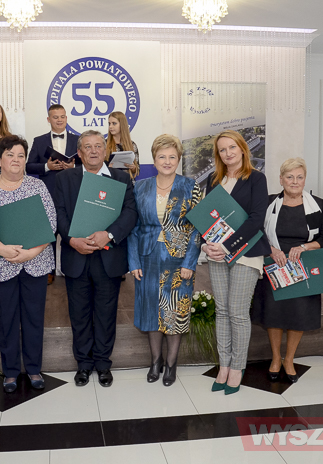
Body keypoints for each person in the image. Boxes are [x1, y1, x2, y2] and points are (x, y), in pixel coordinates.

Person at [0, 135, 56, 393]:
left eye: (20, 155)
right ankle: (10, 371)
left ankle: (33, 368)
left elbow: (51, 224)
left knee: (33, 318)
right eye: (10, 155)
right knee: (6, 319)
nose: (16, 160)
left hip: (35, 264)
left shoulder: (37, 187)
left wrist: (31, 253)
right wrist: (2, 249)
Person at [55, 130, 137, 388]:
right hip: (76, 255)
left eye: (98, 146)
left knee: (105, 313)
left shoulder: (121, 178)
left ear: (105, 151)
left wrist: (109, 235)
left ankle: (102, 363)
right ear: (79, 153)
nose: (93, 151)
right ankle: (83, 364)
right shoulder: (64, 178)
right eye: (87, 147)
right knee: (79, 313)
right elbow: (58, 213)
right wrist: (72, 240)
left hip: (108, 257)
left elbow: (130, 212)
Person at [128, 134, 201, 386]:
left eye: (172, 157)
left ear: (179, 159)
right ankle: (155, 362)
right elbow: (133, 227)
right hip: (147, 256)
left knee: (174, 311)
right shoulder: (140, 187)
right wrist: (133, 261)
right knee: (151, 311)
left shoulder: (191, 186)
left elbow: (197, 228)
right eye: (162, 157)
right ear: (154, 159)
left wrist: (190, 263)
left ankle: (171, 364)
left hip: (178, 259)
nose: (167, 161)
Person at [252, 158, 323, 383]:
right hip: (274, 265)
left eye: (299, 177)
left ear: (305, 179)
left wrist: (305, 247)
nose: (294, 181)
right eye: (289, 177)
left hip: (303, 267)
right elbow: (256, 232)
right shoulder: (269, 203)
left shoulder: (317, 205)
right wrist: (271, 250)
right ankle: (276, 358)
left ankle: (289, 359)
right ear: (281, 179)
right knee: (274, 314)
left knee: (299, 314)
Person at [203, 130, 270, 395]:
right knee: (222, 311)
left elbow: (256, 219)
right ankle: (224, 364)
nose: (228, 153)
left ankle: (237, 367)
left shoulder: (256, 178)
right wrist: (206, 245)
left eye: (232, 147)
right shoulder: (214, 180)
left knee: (238, 312)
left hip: (246, 252)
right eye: (222, 149)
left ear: (243, 148)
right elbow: (207, 218)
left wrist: (226, 246)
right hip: (217, 254)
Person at [26, 104, 79, 285]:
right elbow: (29, 166)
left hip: (72, 192)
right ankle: (48, 271)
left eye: (62, 116)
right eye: (55, 117)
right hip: (47, 193)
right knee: (49, 232)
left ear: (66, 118)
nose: (59, 120)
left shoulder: (78, 140)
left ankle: (70, 269)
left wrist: (73, 166)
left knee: (71, 231)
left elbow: (87, 163)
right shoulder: (39, 141)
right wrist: (47, 166)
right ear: (48, 119)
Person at [105, 111, 140, 180]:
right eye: (109, 124)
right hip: (110, 182)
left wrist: (133, 167)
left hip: (128, 182)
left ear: (122, 125)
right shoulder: (104, 144)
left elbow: (137, 170)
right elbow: (98, 167)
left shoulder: (132, 145)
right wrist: (108, 168)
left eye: (114, 123)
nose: (110, 126)